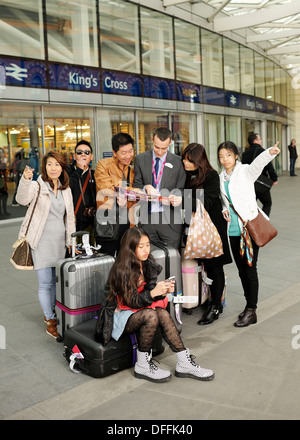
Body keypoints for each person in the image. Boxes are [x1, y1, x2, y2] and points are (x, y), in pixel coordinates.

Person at [105, 227, 214, 383]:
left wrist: (162, 291)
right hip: (119, 315)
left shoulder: (147, 263)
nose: (145, 250)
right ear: (130, 248)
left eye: (148, 245)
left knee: (161, 312)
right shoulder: (121, 269)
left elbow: (149, 296)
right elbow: (132, 302)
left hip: (138, 310)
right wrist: (154, 293)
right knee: (151, 314)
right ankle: (142, 365)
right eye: (140, 246)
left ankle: (184, 362)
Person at [218, 140, 280, 327]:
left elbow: (258, 164)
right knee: (241, 270)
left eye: (228, 155)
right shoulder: (222, 177)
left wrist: (270, 152)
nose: (225, 159)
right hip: (234, 230)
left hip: (249, 228)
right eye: (221, 156)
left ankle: (252, 310)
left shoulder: (244, 171)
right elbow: (225, 200)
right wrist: (223, 209)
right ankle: (248, 306)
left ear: (236, 155)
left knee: (250, 269)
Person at [16, 151, 76, 339]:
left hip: (59, 243)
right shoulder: (37, 186)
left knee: (55, 283)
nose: (53, 168)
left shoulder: (66, 189)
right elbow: (21, 199)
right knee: (45, 283)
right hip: (40, 241)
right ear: (44, 167)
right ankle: (50, 320)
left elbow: (70, 217)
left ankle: (52, 312)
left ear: (62, 168)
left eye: (57, 164)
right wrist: (25, 180)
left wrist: (70, 242)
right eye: (49, 164)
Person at [182, 143, 232, 324]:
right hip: (193, 229)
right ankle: (201, 298)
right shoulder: (185, 175)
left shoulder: (211, 176)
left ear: (199, 160)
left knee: (214, 266)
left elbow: (207, 202)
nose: (185, 163)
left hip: (211, 229)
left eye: (189, 160)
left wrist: (182, 199)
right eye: (184, 159)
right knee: (199, 264)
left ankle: (215, 305)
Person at [133, 127, 186, 251]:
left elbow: (182, 189)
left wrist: (176, 197)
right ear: (152, 140)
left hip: (170, 222)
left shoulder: (179, 162)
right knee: (148, 260)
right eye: (157, 147)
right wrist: (146, 187)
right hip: (147, 220)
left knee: (172, 261)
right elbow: (136, 185)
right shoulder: (140, 159)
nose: (160, 152)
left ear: (170, 143)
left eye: (164, 148)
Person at [94, 132, 135, 257]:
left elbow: (136, 194)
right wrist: (129, 192)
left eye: (130, 151)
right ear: (114, 152)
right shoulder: (103, 165)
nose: (128, 156)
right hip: (108, 223)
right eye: (123, 152)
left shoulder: (132, 170)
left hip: (127, 223)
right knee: (107, 261)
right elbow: (107, 188)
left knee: (126, 261)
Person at [242, 133, 278, 217]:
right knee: (267, 203)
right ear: (255, 141)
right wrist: (274, 178)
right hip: (261, 183)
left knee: (250, 205)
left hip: (249, 183)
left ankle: (250, 223)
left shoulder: (245, 153)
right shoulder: (262, 151)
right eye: (260, 139)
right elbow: (269, 166)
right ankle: (264, 223)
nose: (261, 140)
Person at [67, 140, 96, 241]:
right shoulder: (68, 173)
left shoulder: (95, 174)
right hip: (73, 223)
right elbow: (68, 187)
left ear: (91, 156)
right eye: (79, 152)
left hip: (91, 224)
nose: (83, 155)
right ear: (74, 156)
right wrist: (79, 169)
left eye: (87, 152)